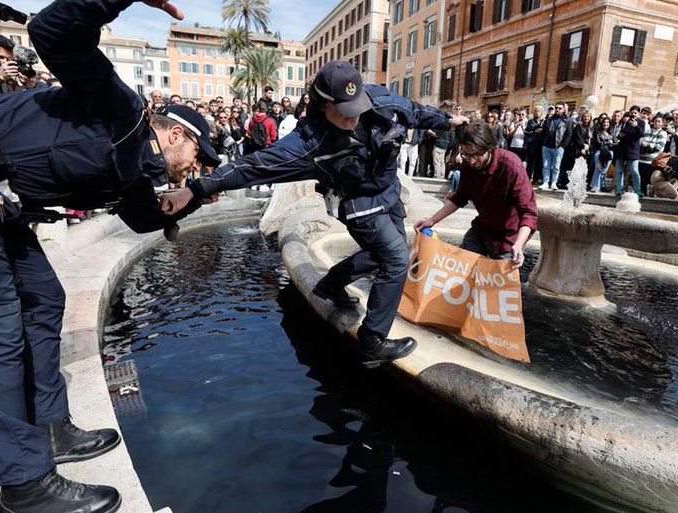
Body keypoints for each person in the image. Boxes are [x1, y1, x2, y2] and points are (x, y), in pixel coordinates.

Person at [0, 1, 219, 512]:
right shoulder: (119, 107)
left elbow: (143, 217)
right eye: (197, 156)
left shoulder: (137, 169)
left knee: (43, 298)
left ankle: (50, 428)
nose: (196, 165)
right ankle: (24, 486)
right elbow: (53, 30)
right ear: (175, 134)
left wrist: (195, 195)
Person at [158, 60, 468, 368]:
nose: (355, 115)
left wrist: (448, 121)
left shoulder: (380, 101)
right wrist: (194, 190)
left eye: (357, 105)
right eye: (345, 110)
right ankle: (372, 340)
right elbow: (252, 167)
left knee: (381, 255)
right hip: (360, 204)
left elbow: (413, 111)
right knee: (397, 258)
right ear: (322, 105)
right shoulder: (308, 143)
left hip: (388, 193)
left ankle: (330, 284)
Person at [414, 121, 537, 266]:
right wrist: (432, 220)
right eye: (466, 154)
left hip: (508, 240)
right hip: (481, 232)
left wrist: (518, 244)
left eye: (476, 155)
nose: (471, 161)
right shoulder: (468, 164)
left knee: (498, 287)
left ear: (489, 148)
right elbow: (459, 198)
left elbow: (528, 213)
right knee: (461, 270)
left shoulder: (511, 166)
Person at [540, 103, 573, 190]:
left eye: (560, 108)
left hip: (558, 147)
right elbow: (543, 132)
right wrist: (543, 143)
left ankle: (554, 182)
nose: (558, 109)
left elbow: (569, 134)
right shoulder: (549, 119)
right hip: (546, 146)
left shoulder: (567, 120)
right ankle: (546, 182)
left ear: (563, 109)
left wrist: (563, 146)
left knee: (556, 166)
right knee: (546, 165)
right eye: (556, 108)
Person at [614, 106, 645, 196]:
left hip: (633, 150)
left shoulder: (641, 123)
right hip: (622, 149)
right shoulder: (626, 122)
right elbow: (621, 135)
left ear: (638, 114)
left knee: (634, 170)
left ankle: (637, 190)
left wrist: (636, 126)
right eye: (632, 112)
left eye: (635, 113)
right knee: (619, 170)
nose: (633, 114)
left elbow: (641, 134)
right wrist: (620, 135)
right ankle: (619, 189)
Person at [638, 115, 668, 196]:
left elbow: (659, 146)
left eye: (659, 121)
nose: (657, 123)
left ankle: (651, 193)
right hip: (642, 159)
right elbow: (642, 142)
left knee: (650, 178)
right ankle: (641, 193)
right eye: (655, 121)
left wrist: (647, 146)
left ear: (662, 123)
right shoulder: (648, 131)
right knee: (642, 178)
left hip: (652, 160)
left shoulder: (663, 133)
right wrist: (646, 145)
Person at [590, 117, 616, 193]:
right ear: (602, 123)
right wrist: (609, 142)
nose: (606, 123)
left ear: (609, 124)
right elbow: (597, 142)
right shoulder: (597, 132)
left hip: (609, 153)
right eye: (604, 122)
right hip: (599, 152)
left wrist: (607, 143)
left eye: (607, 122)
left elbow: (615, 143)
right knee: (598, 169)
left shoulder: (611, 133)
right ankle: (595, 186)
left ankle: (600, 185)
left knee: (604, 171)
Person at [523, 105, 545, 182]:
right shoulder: (530, 121)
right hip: (531, 145)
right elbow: (529, 128)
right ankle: (527, 179)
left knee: (538, 163)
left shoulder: (544, 121)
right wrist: (537, 128)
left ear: (541, 113)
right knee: (530, 163)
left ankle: (536, 179)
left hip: (540, 145)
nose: (537, 112)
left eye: (539, 111)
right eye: (535, 111)